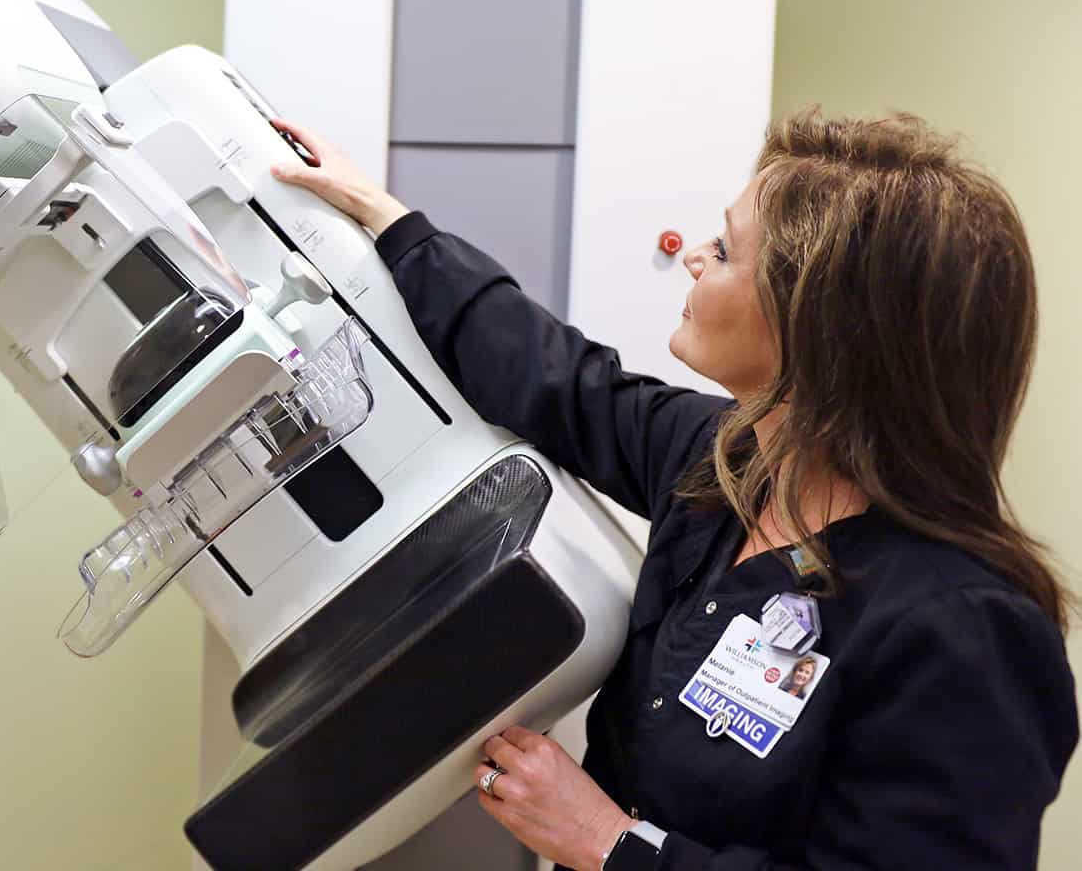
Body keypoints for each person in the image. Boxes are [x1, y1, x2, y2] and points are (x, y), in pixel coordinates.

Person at [269, 108, 1078, 871]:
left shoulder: (966, 631)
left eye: (724, 252)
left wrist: (611, 844)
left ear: (819, 327)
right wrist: (385, 221)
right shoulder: (724, 467)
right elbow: (558, 380)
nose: (693, 254)